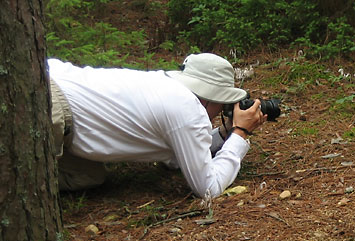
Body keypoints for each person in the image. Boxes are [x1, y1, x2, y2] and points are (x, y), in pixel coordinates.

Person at [48, 53, 267, 198]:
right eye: (223, 103)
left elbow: (178, 156)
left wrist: (225, 132)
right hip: (50, 106)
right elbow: (208, 188)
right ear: (211, 97)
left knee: (89, 177)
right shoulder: (187, 110)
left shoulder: (165, 87)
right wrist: (241, 132)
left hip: (53, 78)